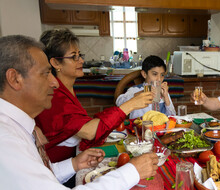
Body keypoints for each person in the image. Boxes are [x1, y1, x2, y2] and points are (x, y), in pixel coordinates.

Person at [0, 35, 159, 190]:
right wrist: (132, 171)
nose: (54, 83)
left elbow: (39, 179)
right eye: (45, 73)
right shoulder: (6, 141)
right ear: (15, 79)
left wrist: (73, 164)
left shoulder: (15, 126)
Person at [35, 28, 153, 163]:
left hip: (73, 157)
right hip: (57, 169)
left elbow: (80, 125)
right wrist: (131, 104)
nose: (81, 61)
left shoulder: (65, 89)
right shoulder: (54, 96)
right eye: (74, 56)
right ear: (55, 63)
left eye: (80, 55)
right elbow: (89, 131)